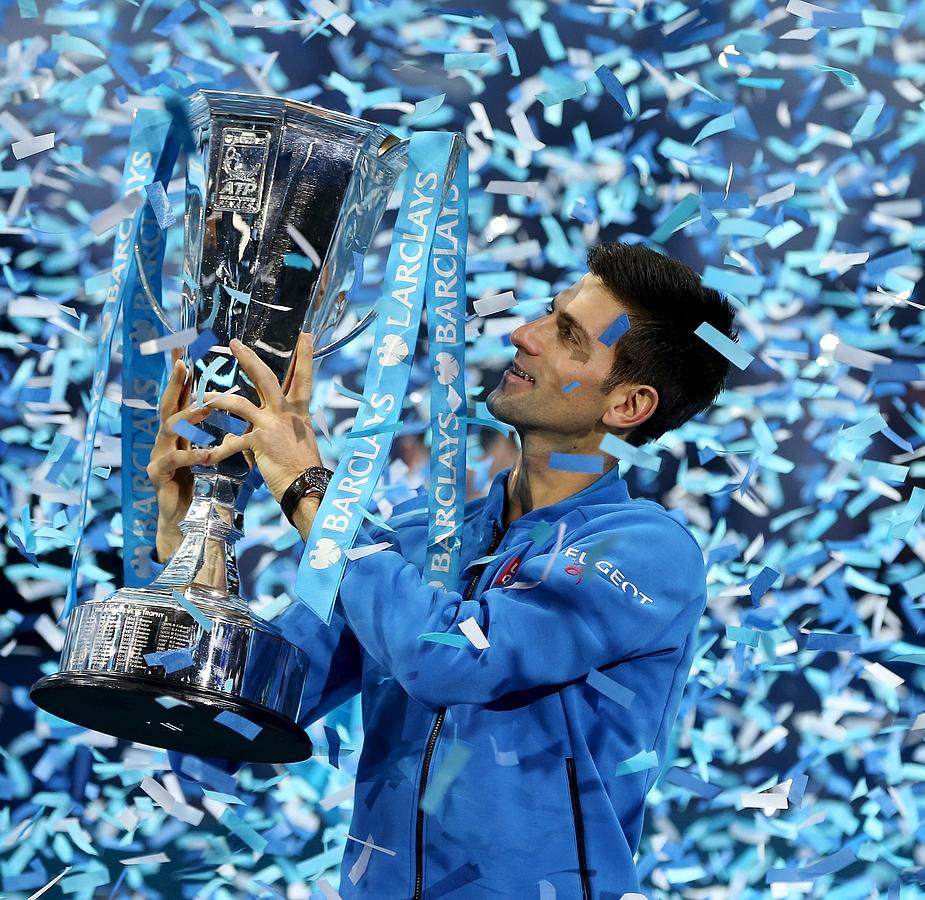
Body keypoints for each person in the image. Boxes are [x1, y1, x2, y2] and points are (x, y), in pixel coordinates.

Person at [146, 240, 738, 898]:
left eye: (567, 335)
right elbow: (231, 717)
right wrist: (194, 539)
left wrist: (311, 492)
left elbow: (451, 658)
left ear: (627, 406)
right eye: (548, 312)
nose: (523, 333)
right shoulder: (413, 538)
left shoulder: (644, 551)